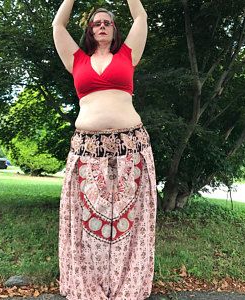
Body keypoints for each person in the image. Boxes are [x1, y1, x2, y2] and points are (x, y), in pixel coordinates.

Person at [52, 1, 157, 299]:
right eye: (96, 23)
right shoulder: (76, 60)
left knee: (130, 222)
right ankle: (89, 286)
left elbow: (141, 16)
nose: (101, 26)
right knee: (86, 224)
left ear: (114, 29)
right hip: (87, 149)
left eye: (106, 22)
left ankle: (127, 287)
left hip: (131, 147)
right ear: (89, 30)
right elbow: (58, 26)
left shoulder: (128, 54)